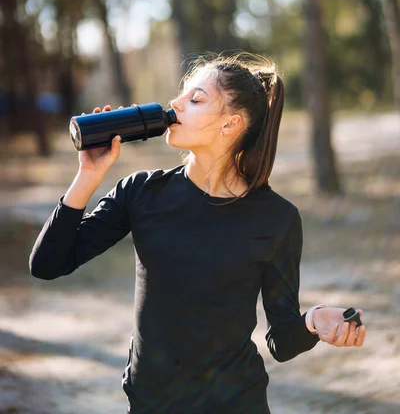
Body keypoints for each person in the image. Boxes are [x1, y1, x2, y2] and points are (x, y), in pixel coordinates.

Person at [29, 53, 366, 414]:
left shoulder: (277, 218)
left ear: (230, 125)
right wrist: (89, 175)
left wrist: (314, 321)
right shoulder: (141, 192)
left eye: (196, 98)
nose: (175, 103)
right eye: (182, 94)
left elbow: (281, 341)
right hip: (151, 403)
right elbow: (48, 264)